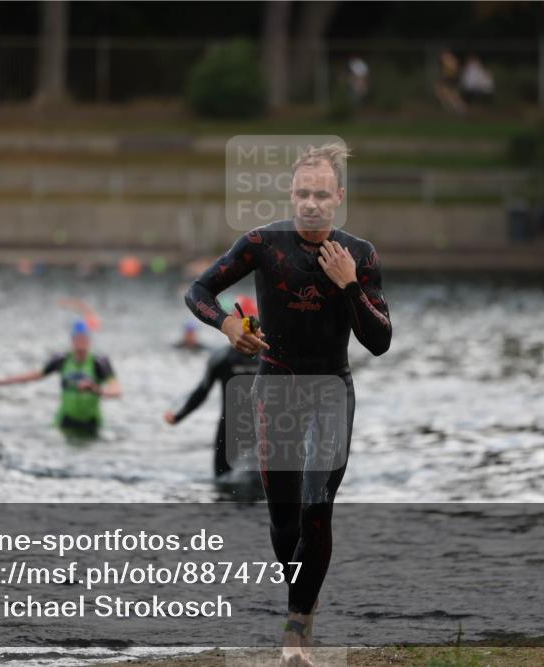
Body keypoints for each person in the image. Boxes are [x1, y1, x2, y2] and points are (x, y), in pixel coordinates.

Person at [185, 144, 391, 666]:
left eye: (323, 194)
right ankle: (303, 601)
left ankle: (296, 633)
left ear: (339, 198)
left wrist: (348, 286)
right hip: (274, 387)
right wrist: (228, 324)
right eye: (303, 193)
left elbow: (380, 340)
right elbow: (199, 289)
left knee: (318, 507)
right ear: (291, 194)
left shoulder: (359, 255)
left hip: (330, 390)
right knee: (285, 523)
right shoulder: (262, 244)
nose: (312, 203)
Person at [164, 297, 261, 478]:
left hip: (248, 432)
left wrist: (178, 416)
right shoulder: (226, 358)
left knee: (230, 486)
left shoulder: (227, 358)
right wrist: (178, 416)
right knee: (232, 484)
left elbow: (201, 392)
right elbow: (202, 392)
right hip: (245, 433)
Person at [0, 320, 121, 437]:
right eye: (78, 340)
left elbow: (116, 391)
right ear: (72, 341)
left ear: (89, 341)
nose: (81, 344)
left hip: (92, 422)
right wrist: (2, 381)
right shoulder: (62, 360)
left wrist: (95, 389)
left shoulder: (100, 362)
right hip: (66, 420)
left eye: (84, 340)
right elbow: (35, 375)